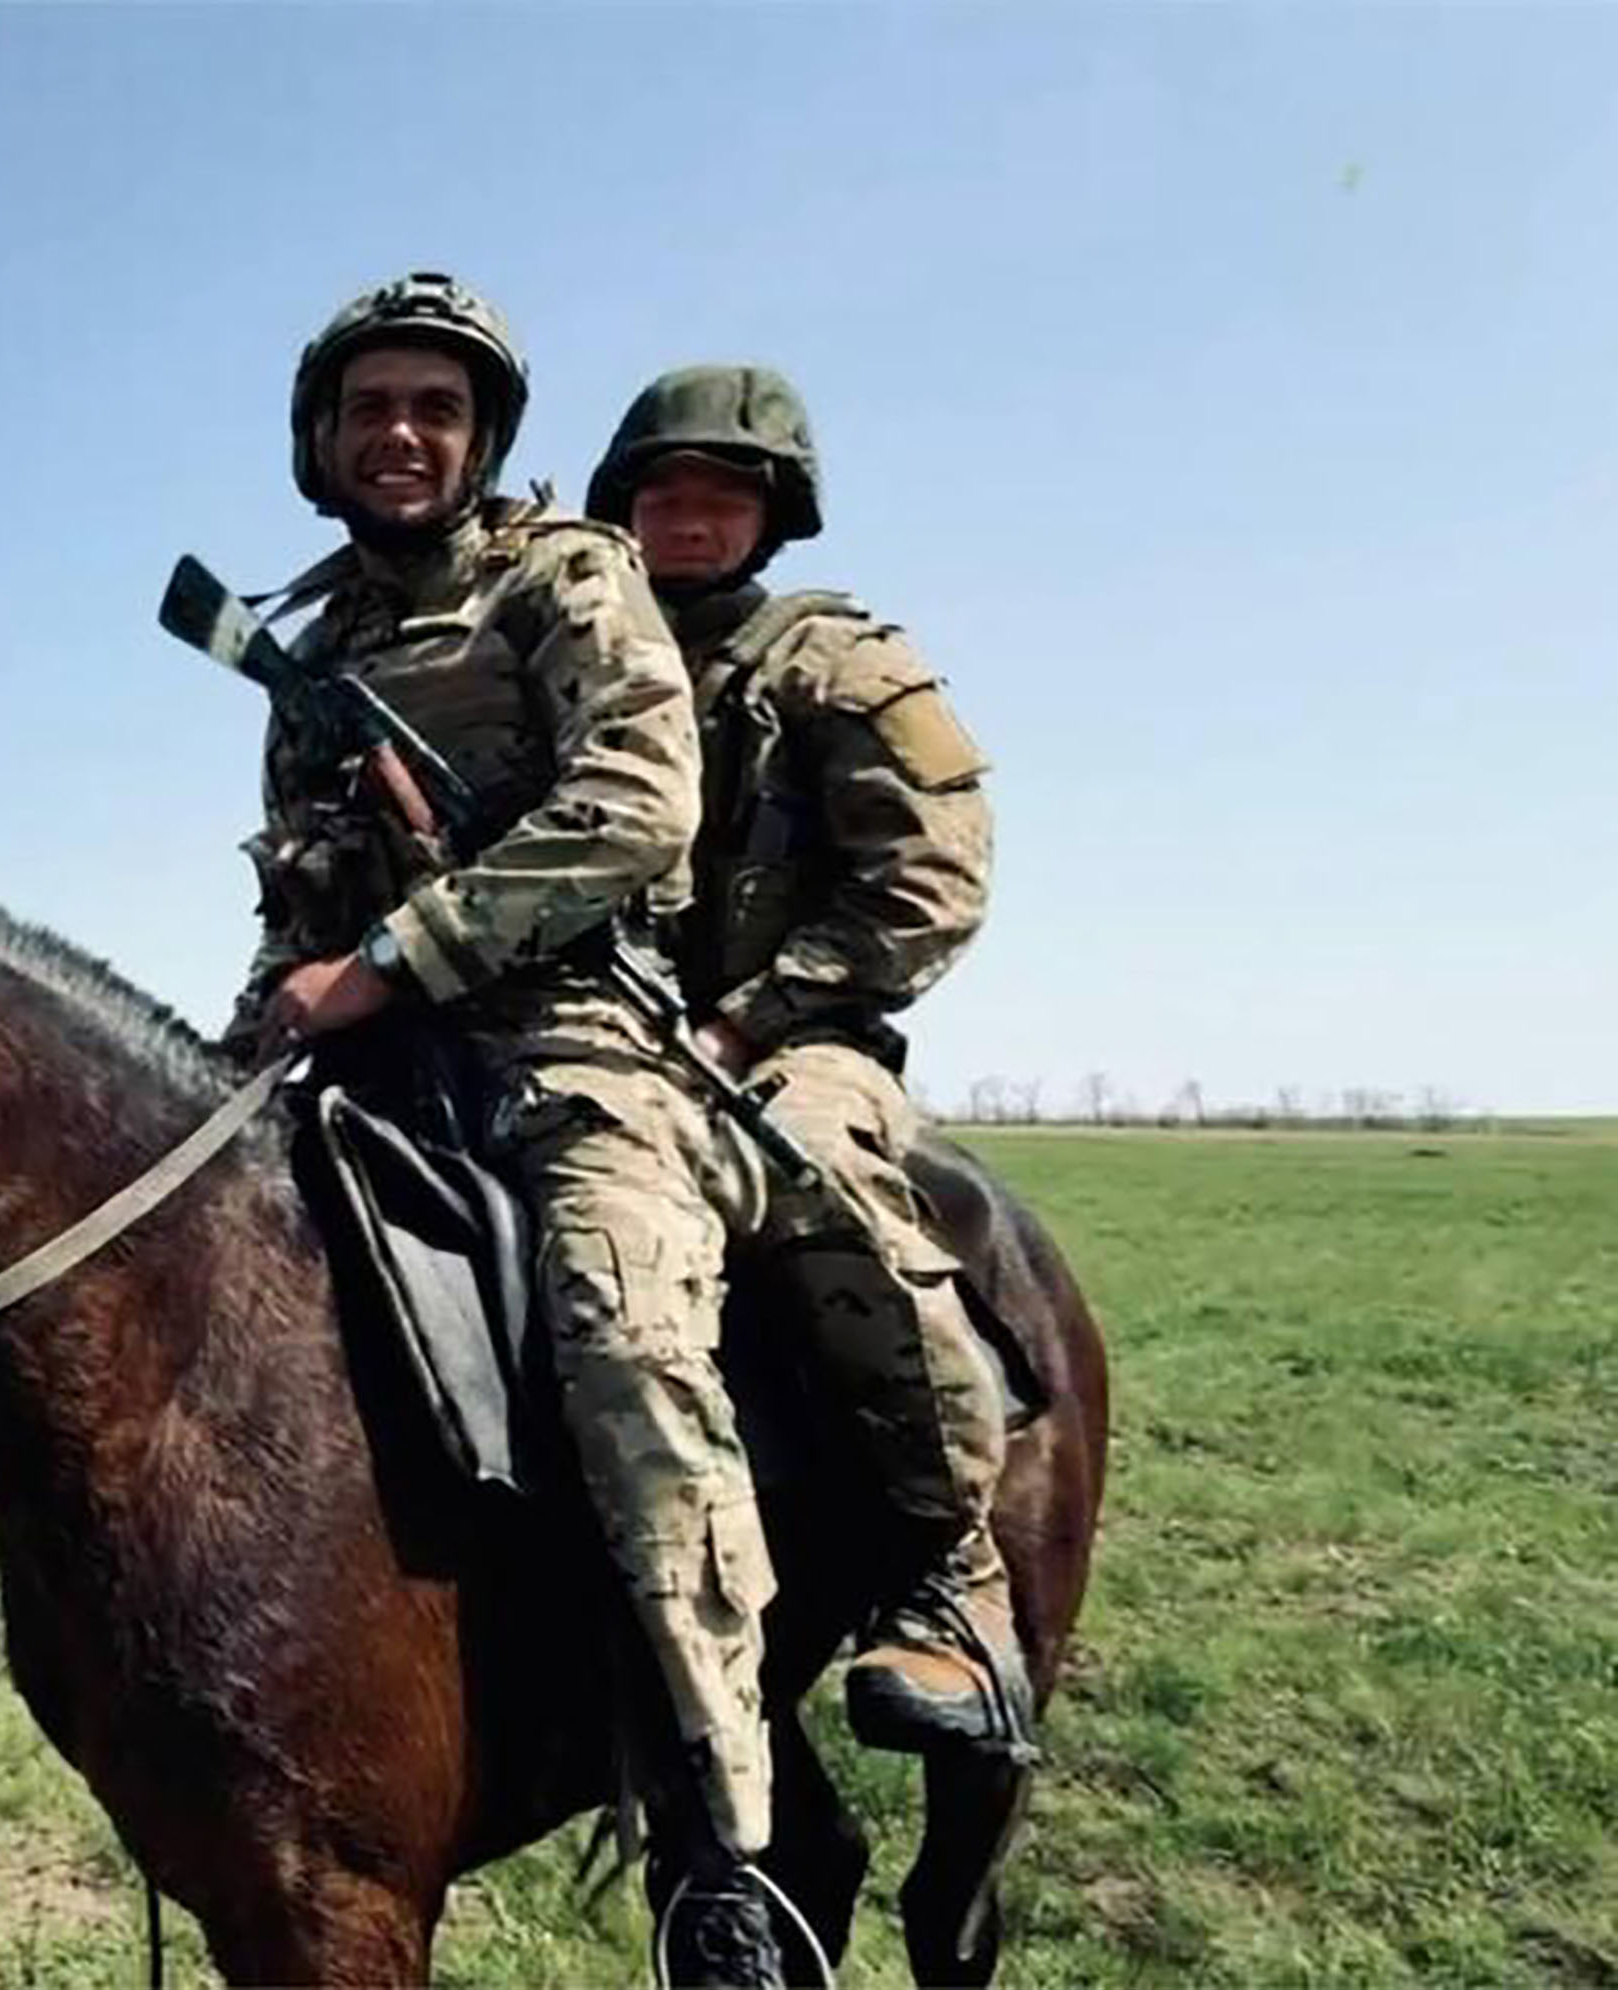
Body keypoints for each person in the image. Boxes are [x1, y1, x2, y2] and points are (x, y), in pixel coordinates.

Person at [227, 275, 784, 1982]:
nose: (402, 433)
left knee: (627, 1329)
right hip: (362, 1049)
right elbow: (298, 891)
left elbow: (638, 803)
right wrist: (265, 1011)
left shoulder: (569, 575)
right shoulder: (309, 653)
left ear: (482, 445)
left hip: (575, 1044)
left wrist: (395, 959)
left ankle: (719, 1839)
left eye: (437, 410)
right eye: (371, 407)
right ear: (321, 440)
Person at [585, 363, 1032, 1760]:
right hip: (603, 1032)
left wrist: (753, 1017)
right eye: (665, 495)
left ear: (772, 515)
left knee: (811, 1172)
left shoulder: (839, 665)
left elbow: (927, 881)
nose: (689, 522)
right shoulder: (583, 666)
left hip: (795, 1041)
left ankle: (951, 1570)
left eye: (721, 498)